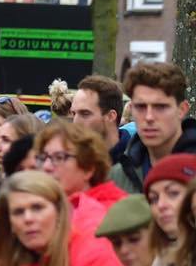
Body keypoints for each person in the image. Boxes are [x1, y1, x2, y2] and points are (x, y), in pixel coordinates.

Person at [113, 62, 196, 193]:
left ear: (182, 110)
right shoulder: (117, 176)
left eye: (160, 107)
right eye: (141, 106)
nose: (149, 117)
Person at [33, 118, 126, 232]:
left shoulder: (107, 217)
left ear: (88, 168)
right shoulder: (47, 208)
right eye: (43, 158)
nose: (46, 166)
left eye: (59, 157)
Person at [72, 74, 130, 167]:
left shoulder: (137, 162)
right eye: (74, 114)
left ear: (111, 116)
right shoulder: (69, 160)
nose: (75, 122)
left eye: (85, 113)